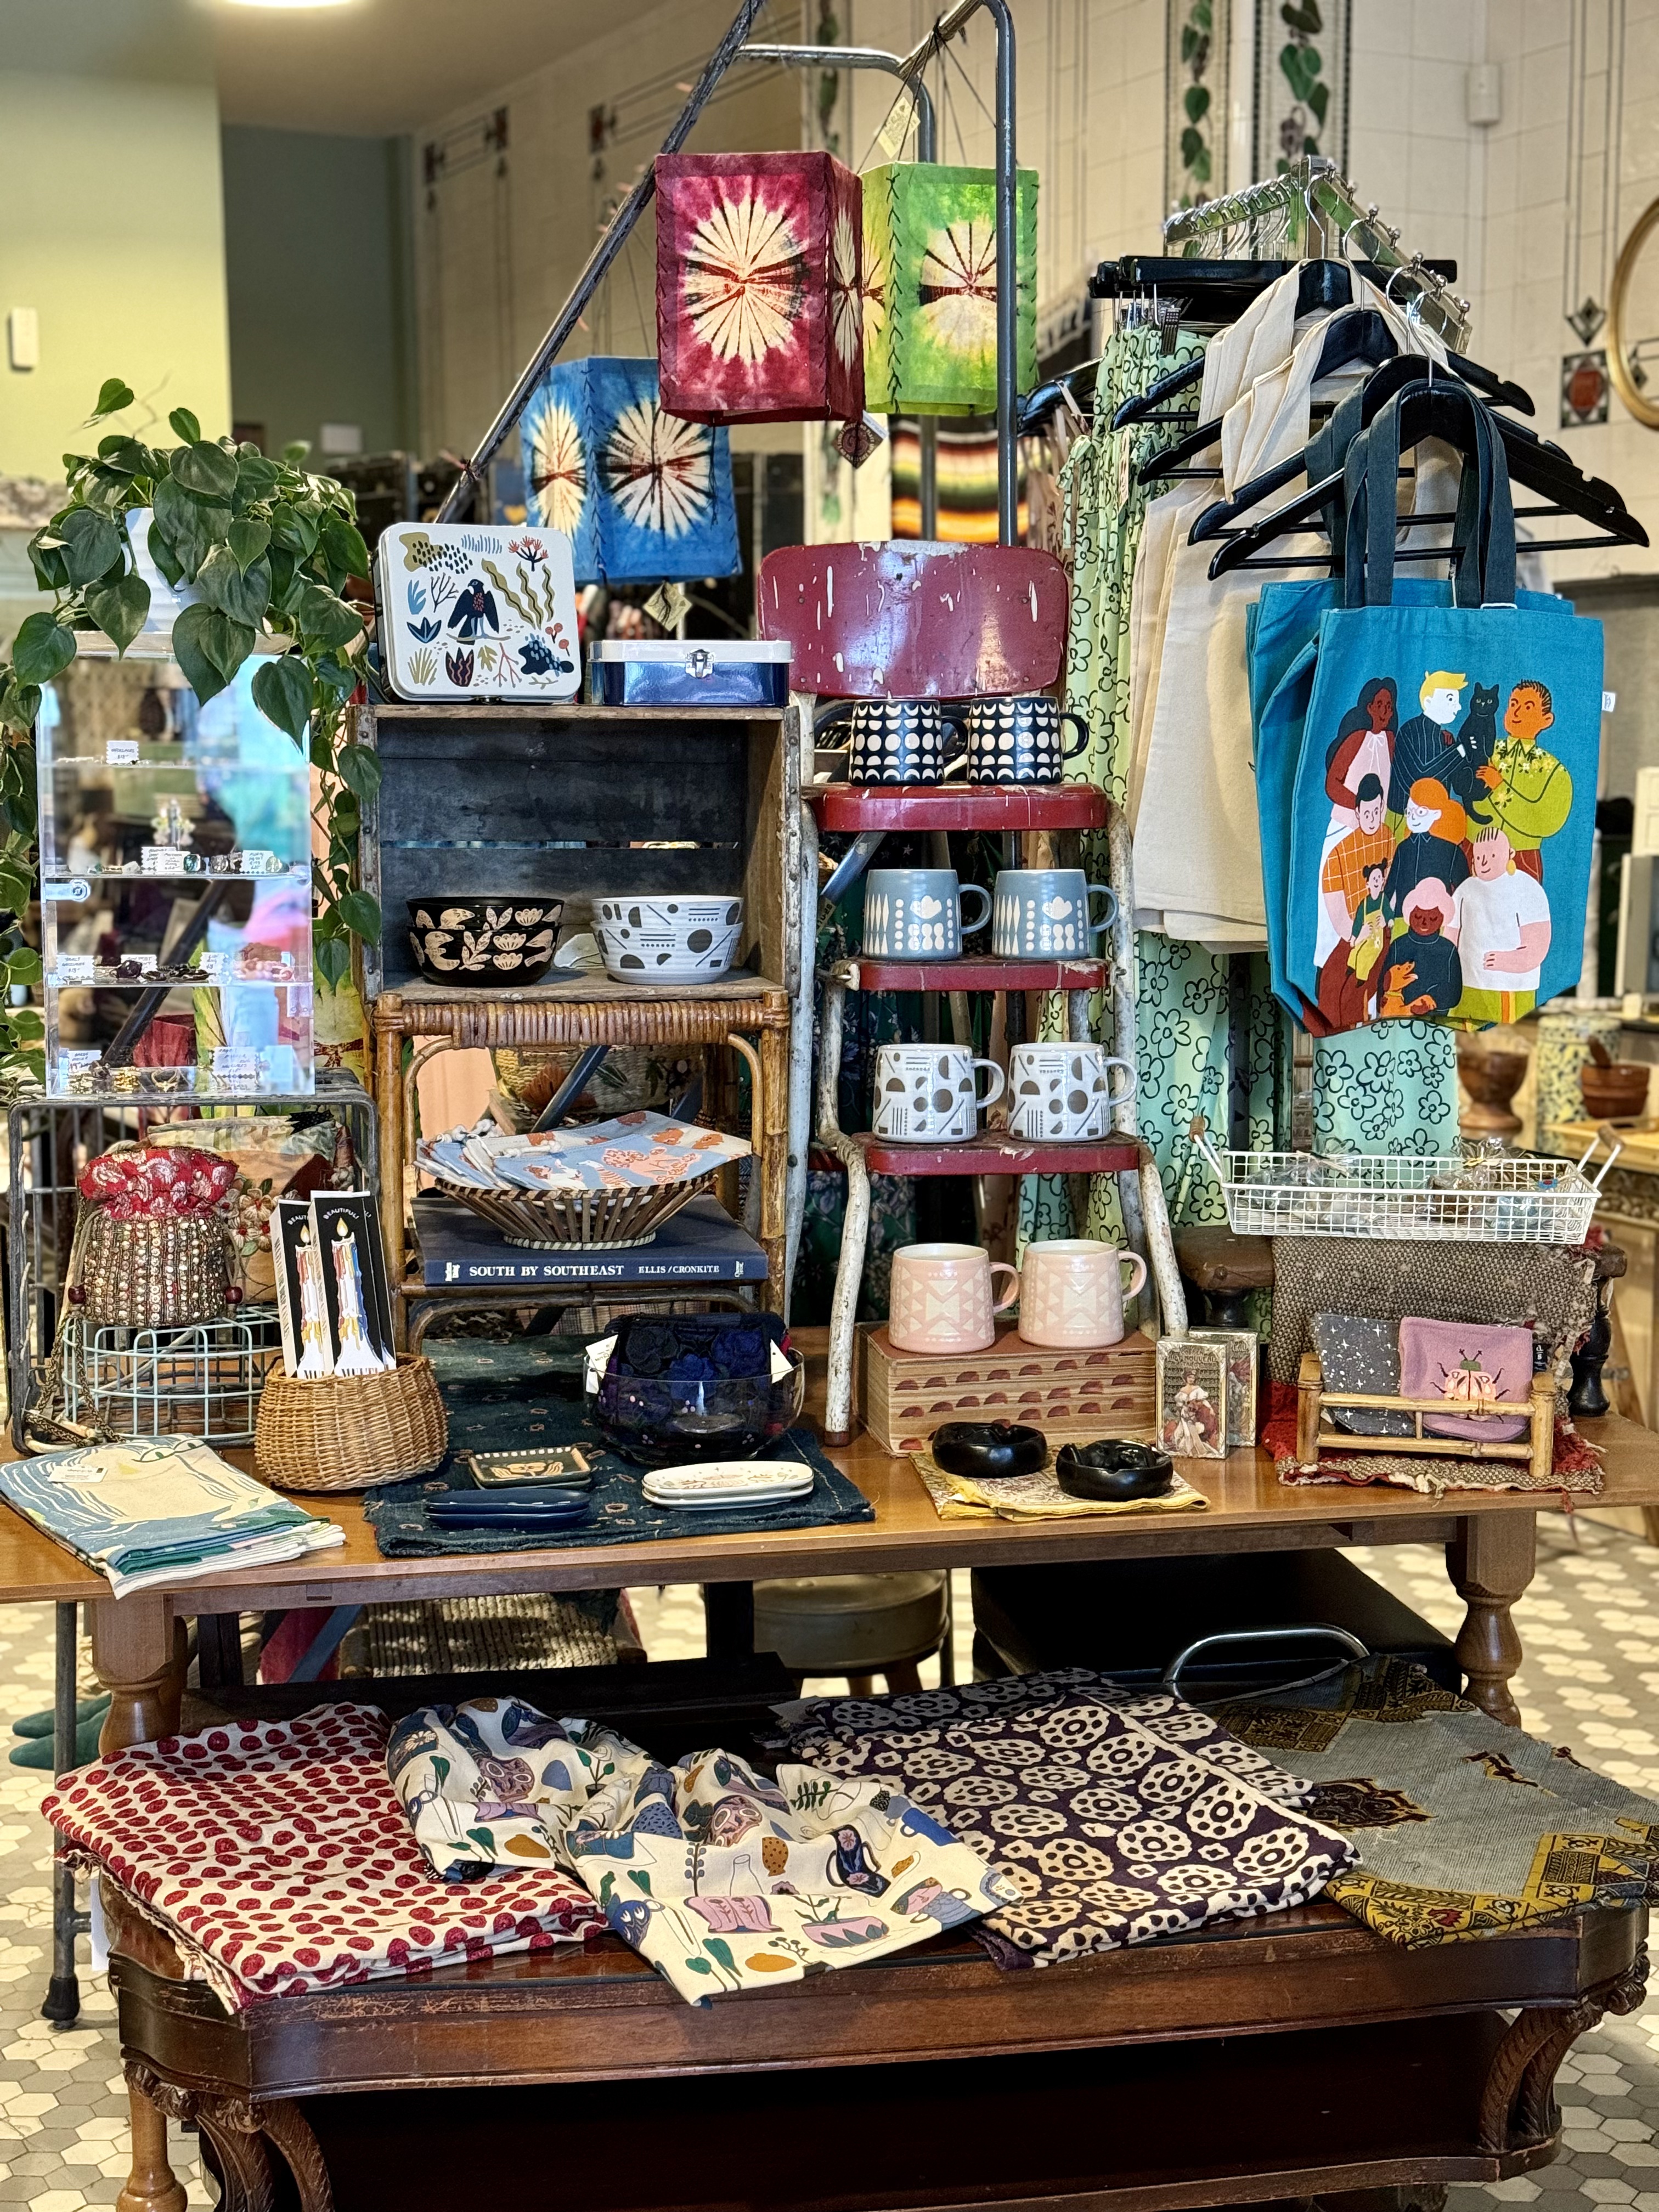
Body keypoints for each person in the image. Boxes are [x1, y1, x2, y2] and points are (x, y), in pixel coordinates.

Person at [1447, 825, 1552, 1025]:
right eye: (1479, 857)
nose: (1484, 862)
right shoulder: (1465, 889)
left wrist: (1507, 960)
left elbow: (1538, 945)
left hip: (1512, 987)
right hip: (1467, 984)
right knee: (1464, 1036)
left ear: (1510, 854)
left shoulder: (1527, 888)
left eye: (1492, 856)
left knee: (1509, 1036)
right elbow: (1451, 934)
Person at [1470, 679, 1572, 884]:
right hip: (1473, 850)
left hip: (1521, 859)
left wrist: (1499, 788)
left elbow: (1548, 823)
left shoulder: (1555, 770)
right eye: (1514, 704)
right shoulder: (1487, 750)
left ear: (1546, 720)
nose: (1516, 713)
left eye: (1528, 708)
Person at [1318, 772, 1394, 959]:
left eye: (1376, 812)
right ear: (1358, 812)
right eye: (1367, 814)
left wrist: (1387, 917)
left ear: (1382, 806)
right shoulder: (1338, 855)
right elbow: (1338, 915)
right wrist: (1356, 935)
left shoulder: (1388, 837)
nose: (1372, 820)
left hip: (1383, 928)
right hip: (1354, 935)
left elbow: (1393, 884)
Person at [1382, 778, 1469, 931]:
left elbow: (1465, 890)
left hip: (1438, 921)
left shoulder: (1450, 850)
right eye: (1410, 812)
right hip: (1404, 919)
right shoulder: (1403, 848)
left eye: (1421, 812)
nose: (1413, 817)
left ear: (1437, 814)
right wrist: (1384, 912)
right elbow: (1391, 886)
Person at [1317, 859, 1388, 1031]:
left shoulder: (1383, 900)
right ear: (1368, 884)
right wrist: (1356, 936)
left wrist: (1387, 920)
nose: (1377, 881)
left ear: (1383, 882)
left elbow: (1388, 913)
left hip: (1377, 938)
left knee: (1367, 956)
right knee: (1356, 952)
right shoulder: (1364, 904)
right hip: (1365, 933)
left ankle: (1361, 977)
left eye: (1379, 878)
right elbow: (1357, 922)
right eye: (1374, 879)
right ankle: (1351, 967)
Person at [1389, 672, 1470, 814]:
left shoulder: (1444, 737)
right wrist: (1458, 752)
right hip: (1404, 816)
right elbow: (1420, 779)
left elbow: (1456, 783)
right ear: (1428, 702)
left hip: (1436, 817)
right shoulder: (1410, 730)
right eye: (1451, 699)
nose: (1458, 707)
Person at [1378, 889, 1464, 1019]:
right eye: (1418, 917)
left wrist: (1431, 1000)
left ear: (1442, 918)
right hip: (1398, 1017)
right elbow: (1384, 981)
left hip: (1436, 1019)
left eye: (1432, 918)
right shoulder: (1399, 945)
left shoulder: (1448, 949)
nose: (1424, 923)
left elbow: (1454, 989)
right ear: (1410, 914)